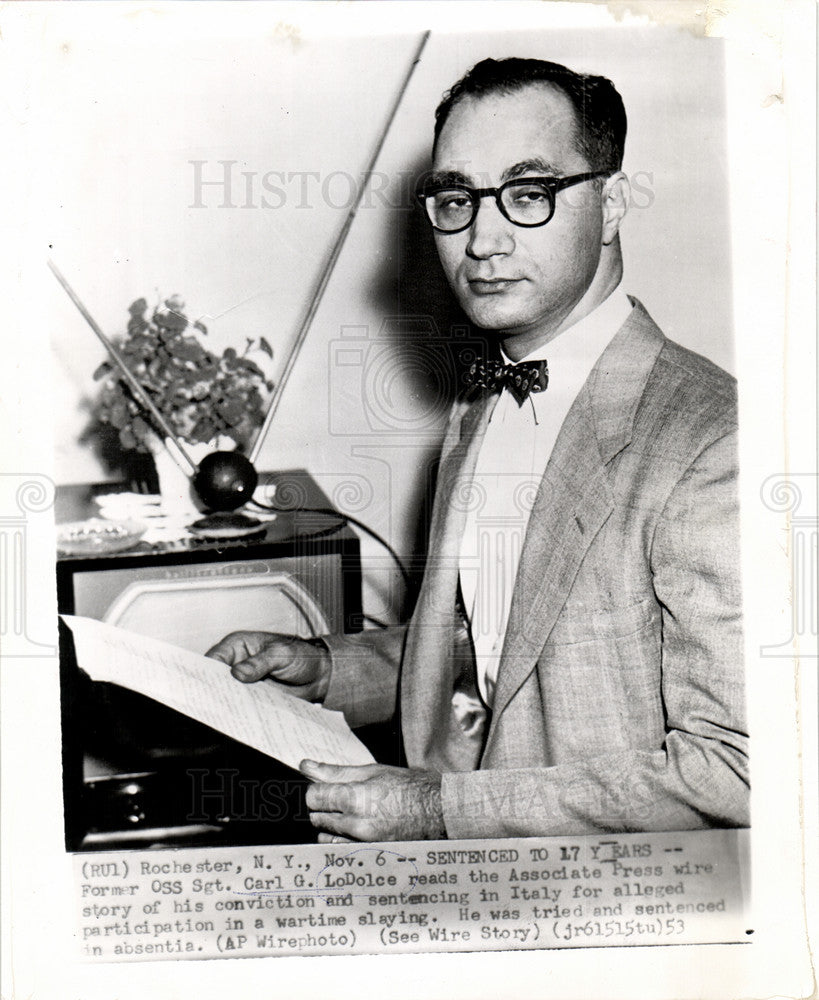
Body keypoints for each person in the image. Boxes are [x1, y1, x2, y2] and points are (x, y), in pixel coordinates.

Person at [207, 57, 748, 842]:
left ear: (613, 202)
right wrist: (329, 669)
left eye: (529, 194)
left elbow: (738, 770)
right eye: (456, 200)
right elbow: (499, 655)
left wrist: (434, 811)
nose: (483, 240)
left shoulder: (712, 438)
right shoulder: (477, 405)